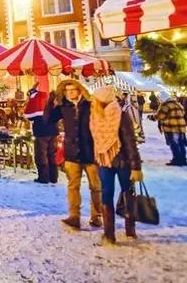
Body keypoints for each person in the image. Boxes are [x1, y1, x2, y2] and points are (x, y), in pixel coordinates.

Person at [45, 79, 101, 229]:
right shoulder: (64, 107)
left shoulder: (90, 105)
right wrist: (50, 102)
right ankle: (74, 216)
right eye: (67, 90)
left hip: (90, 151)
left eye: (73, 89)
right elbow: (48, 119)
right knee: (73, 186)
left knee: (95, 186)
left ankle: (96, 216)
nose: (70, 92)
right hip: (72, 152)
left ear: (79, 90)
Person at [89, 86, 142, 244]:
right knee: (106, 193)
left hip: (123, 161)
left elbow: (130, 142)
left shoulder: (121, 115)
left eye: (95, 99)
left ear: (102, 100)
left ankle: (130, 227)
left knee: (128, 192)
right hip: (104, 160)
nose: (93, 102)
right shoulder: (95, 116)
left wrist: (135, 166)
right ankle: (109, 233)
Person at [25, 83, 56, 184]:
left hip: (41, 131)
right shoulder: (47, 98)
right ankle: (53, 177)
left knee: (41, 155)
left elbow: (29, 115)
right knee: (52, 154)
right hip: (53, 130)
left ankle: (43, 178)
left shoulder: (34, 100)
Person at [155, 95, 187, 166]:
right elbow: (184, 114)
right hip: (181, 128)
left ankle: (176, 160)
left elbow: (160, 116)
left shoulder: (166, 106)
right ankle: (183, 159)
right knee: (181, 144)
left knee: (174, 144)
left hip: (171, 127)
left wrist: (151, 117)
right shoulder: (178, 104)